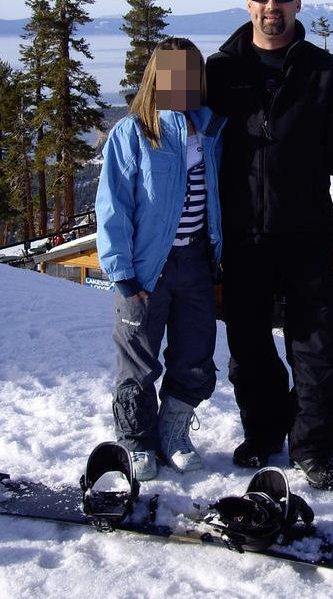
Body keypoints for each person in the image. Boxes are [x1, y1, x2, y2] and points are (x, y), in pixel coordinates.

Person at [205, 0, 333, 490]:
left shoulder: (328, 75)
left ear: (298, 1)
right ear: (247, 1)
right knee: (249, 348)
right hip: (243, 239)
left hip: (309, 236)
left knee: (320, 349)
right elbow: (183, 144)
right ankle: (263, 433)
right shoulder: (218, 73)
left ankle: (313, 449)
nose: (271, 6)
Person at [95, 37, 226, 481]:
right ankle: (135, 441)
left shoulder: (211, 131)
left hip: (196, 263)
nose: (182, 82)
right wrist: (122, 274)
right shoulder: (133, 133)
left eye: (190, 72)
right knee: (138, 360)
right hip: (146, 270)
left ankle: (173, 434)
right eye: (173, 73)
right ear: (157, 77)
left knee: (195, 355)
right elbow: (112, 208)